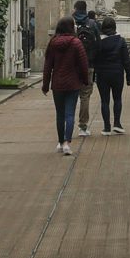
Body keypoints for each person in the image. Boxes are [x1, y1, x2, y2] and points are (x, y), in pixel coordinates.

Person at [42, 16, 89, 155]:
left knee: (60, 114)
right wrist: (85, 80)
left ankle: (60, 142)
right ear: (71, 27)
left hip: (57, 84)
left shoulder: (53, 43)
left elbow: (47, 66)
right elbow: (83, 64)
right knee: (70, 114)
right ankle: (67, 143)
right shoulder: (76, 43)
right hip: (73, 84)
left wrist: (45, 85)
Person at [93, 16, 130, 135]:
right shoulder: (121, 41)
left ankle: (106, 127)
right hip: (117, 73)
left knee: (104, 101)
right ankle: (117, 123)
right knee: (117, 98)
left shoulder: (98, 42)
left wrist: (93, 75)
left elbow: (94, 59)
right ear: (115, 27)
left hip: (102, 74)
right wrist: (129, 77)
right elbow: (126, 60)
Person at [72, 0, 101, 137]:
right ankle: (83, 127)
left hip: (72, 66)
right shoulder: (92, 23)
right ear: (85, 9)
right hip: (88, 64)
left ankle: (68, 123)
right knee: (85, 96)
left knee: (70, 95)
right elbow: (98, 44)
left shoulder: (69, 23)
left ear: (75, 9)